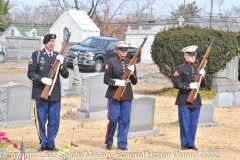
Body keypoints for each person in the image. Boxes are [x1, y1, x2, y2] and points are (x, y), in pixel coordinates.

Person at [27, 33, 69, 152]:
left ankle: (51, 143)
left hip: (54, 94)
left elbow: (66, 75)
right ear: (45, 42)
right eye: (50, 41)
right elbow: (30, 73)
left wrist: (61, 65)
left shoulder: (58, 56)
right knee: (41, 119)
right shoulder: (37, 54)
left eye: (54, 41)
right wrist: (41, 79)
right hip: (40, 92)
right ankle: (43, 143)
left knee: (54, 120)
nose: (52, 43)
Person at [103, 41, 137, 150]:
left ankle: (122, 144)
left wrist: (132, 73)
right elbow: (106, 79)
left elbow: (135, 82)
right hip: (114, 94)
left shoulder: (131, 63)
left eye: (125, 50)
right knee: (113, 118)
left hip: (127, 94)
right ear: (117, 50)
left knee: (125, 120)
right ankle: (109, 141)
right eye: (122, 50)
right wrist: (116, 83)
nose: (124, 52)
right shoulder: (112, 62)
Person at [172, 45, 207, 151]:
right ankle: (184, 143)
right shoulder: (180, 68)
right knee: (184, 123)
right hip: (183, 99)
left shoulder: (198, 68)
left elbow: (204, 85)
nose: (193, 57)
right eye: (191, 55)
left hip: (195, 100)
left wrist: (202, 76)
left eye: (194, 55)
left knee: (193, 124)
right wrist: (188, 86)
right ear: (185, 56)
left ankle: (191, 143)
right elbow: (176, 83)